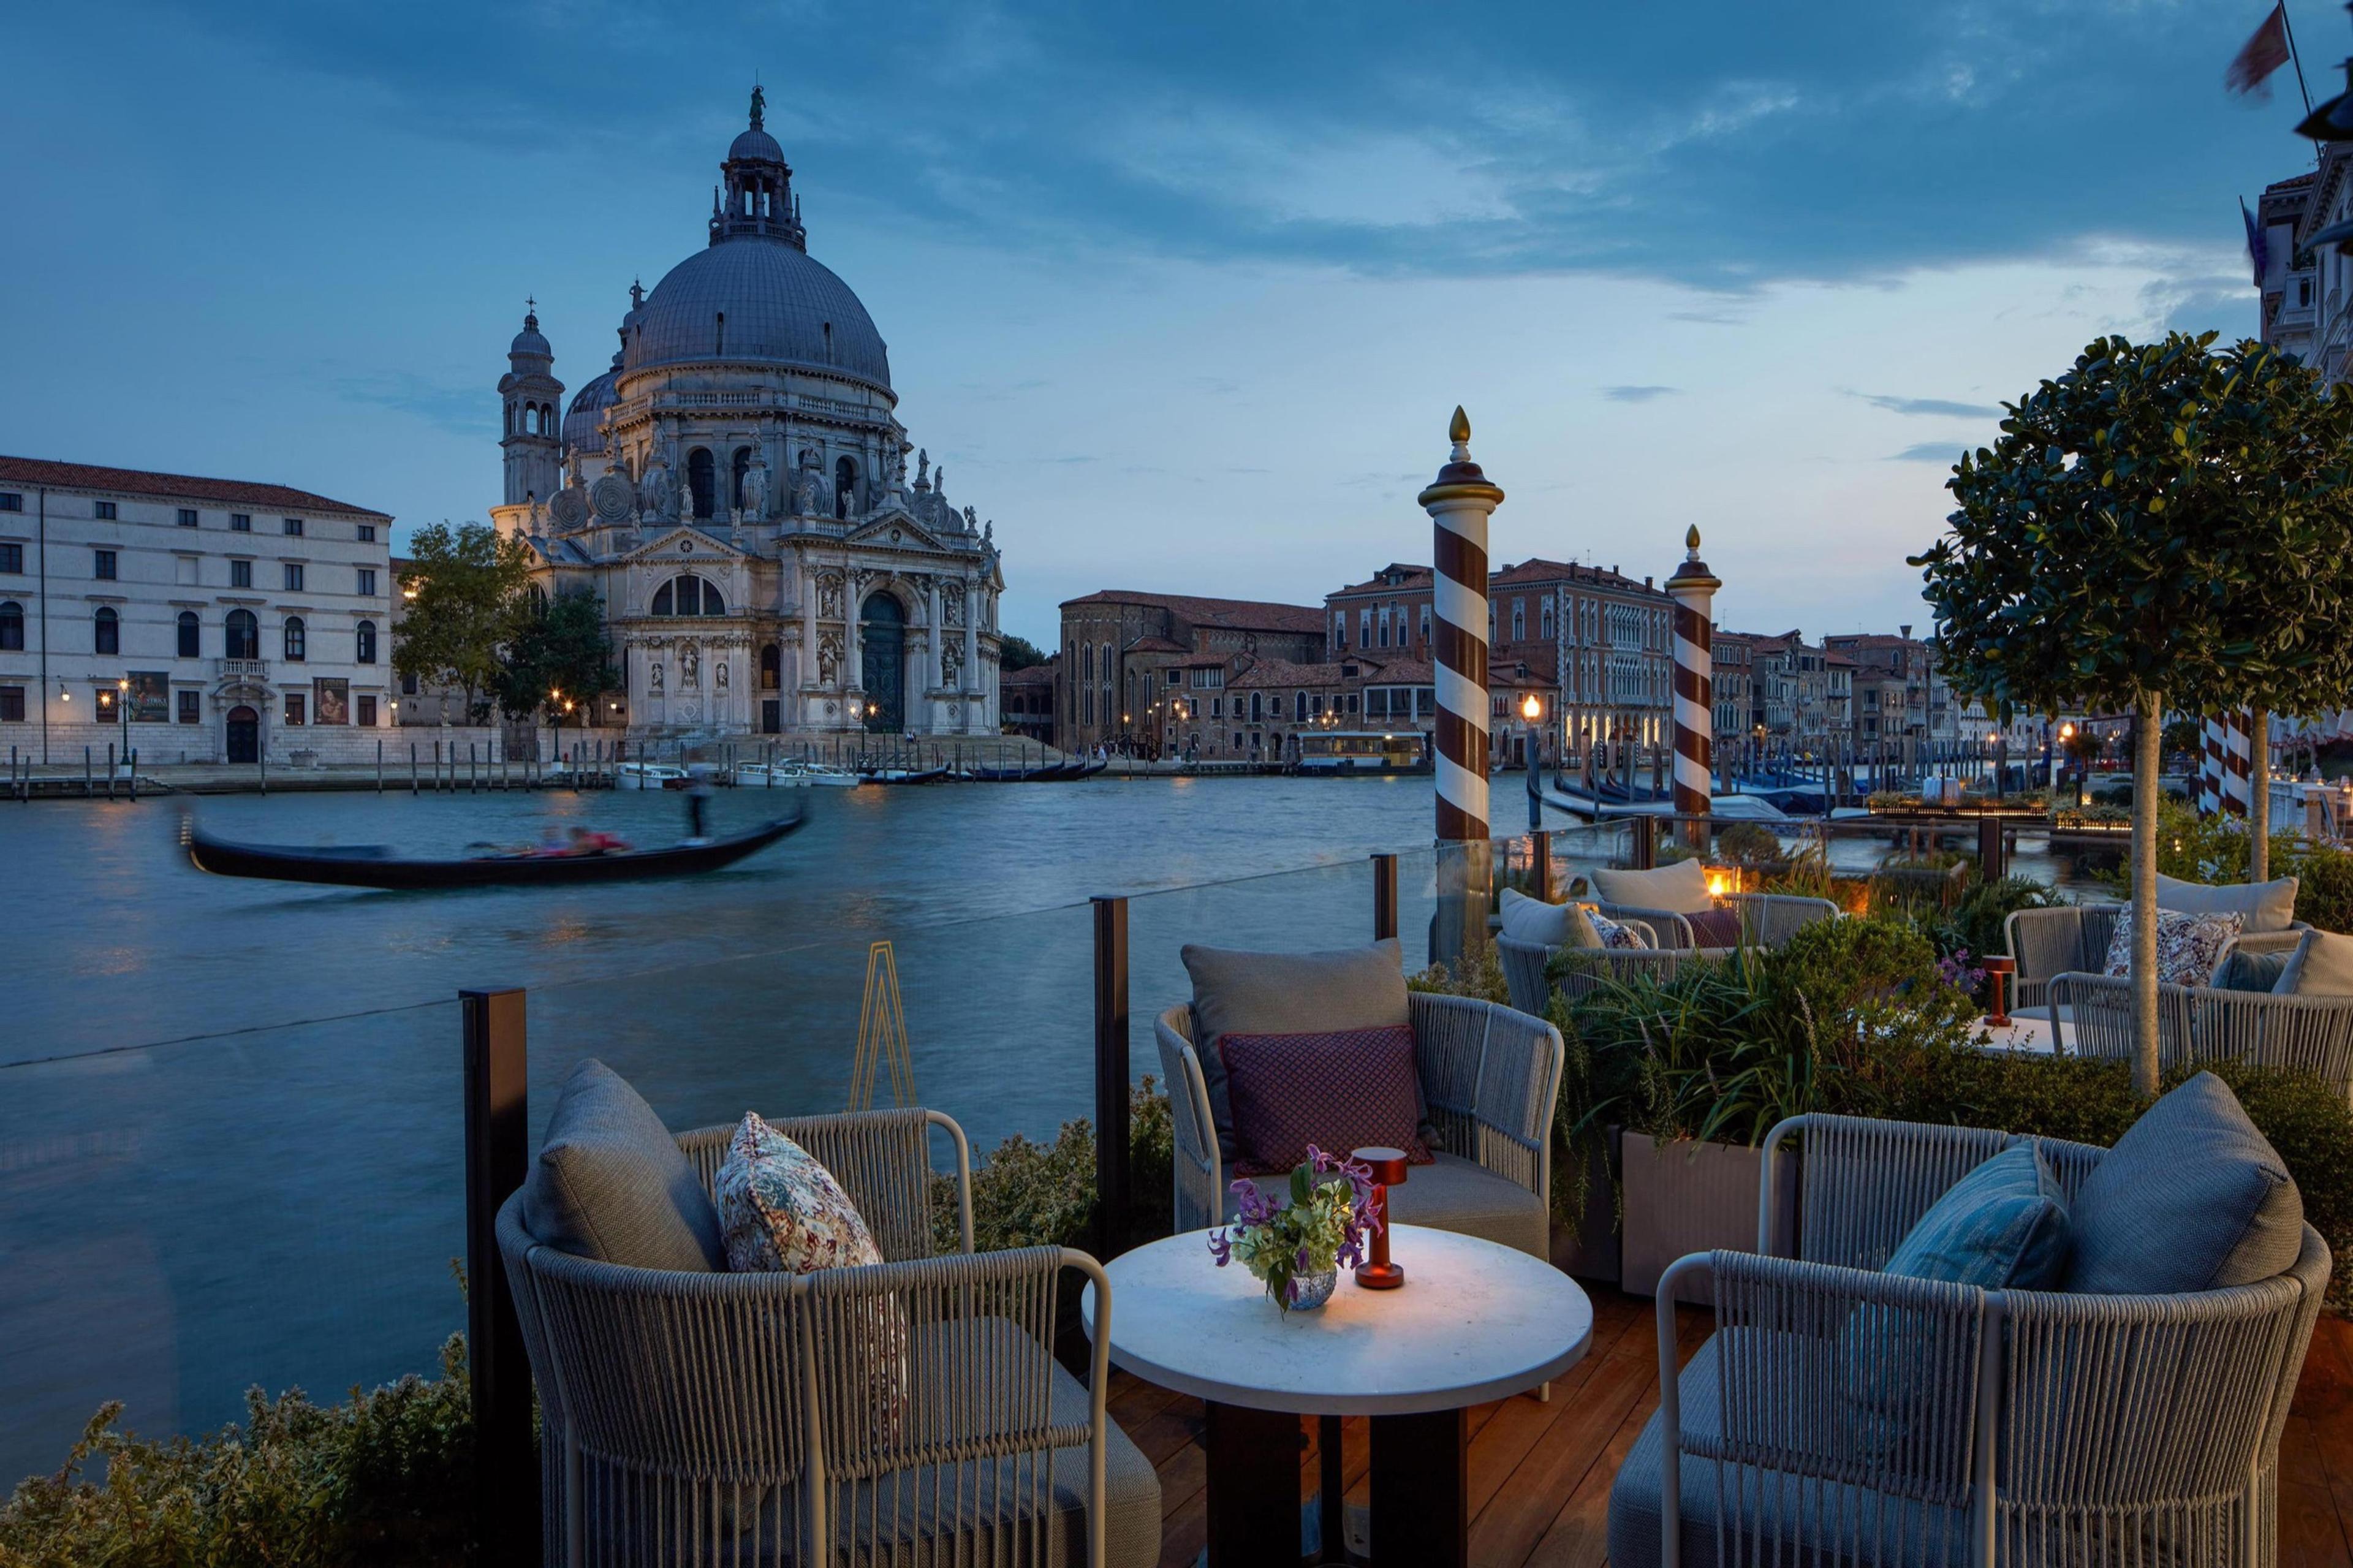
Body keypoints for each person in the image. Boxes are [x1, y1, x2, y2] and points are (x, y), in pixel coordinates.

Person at [684, 765, 716, 844]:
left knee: (696, 815)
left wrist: (685, 784)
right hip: (696, 795)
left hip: (699, 795)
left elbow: (700, 780)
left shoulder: (699, 767)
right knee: (694, 815)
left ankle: (700, 836)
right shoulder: (697, 766)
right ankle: (698, 835)